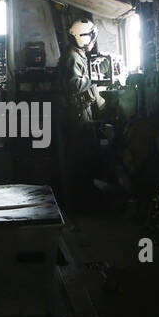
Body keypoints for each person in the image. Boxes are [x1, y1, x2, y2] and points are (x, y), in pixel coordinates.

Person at [54, 17, 105, 212]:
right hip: (75, 114)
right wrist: (94, 78)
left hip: (78, 112)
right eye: (92, 39)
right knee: (79, 157)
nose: (94, 42)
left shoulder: (76, 55)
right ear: (84, 38)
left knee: (83, 155)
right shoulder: (73, 58)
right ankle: (80, 204)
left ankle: (83, 199)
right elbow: (74, 85)